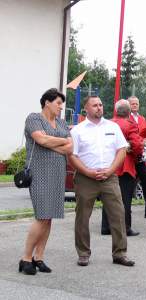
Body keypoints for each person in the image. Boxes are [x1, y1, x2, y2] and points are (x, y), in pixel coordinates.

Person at [69, 95, 135, 267]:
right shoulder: (77, 130)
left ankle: (120, 253)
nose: (99, 107)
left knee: (118, 214)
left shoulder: (113, 127)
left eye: (100, 104)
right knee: (82, 216)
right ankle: (83, 253)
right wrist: (88, 172)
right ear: (86, 109)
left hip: (110, 177)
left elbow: (122, 150)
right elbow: (72, 156)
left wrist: (111, 170)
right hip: (86, 178)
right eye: (94, 105)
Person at [19, 88, 73, 275]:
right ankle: (25, 258)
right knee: (42, 216)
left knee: (48, 218)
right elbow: (40, 139)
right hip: (39, 172)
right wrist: (61, 142)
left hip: (57, 172)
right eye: (58, 103)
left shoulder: (61, 122)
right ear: (47, 102)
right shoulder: (34, 118)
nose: (60, 107)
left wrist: (52, 142)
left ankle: (39, 257)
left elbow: (70, 147)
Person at [101, 99, 144, 237]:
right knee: (125, 198)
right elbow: (137, 145)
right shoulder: (130, 124)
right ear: (129, 112)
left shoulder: (107, 124)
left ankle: (106, 226)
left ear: (116, 111)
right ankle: (125, 227)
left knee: (108, 196)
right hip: (125, 165)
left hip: (109, 165)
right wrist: (135, 151)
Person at [128, 96, 146, 207]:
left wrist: (145, 140)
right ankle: (126, 203)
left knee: (145, 178)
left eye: (137, 103)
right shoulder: (126, 118)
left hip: (141, 153)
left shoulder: (142, 118)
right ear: (128, 105)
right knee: (130, 179)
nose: (135, 105)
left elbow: (145, 132)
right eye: (133, 103)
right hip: (130, 154)